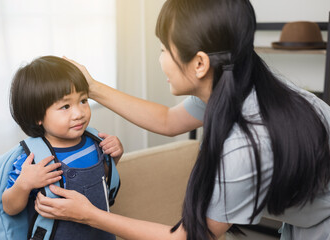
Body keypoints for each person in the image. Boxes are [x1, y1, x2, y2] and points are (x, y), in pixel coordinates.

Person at [34, 0, 330, 239]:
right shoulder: (234, 78)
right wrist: (92, 87)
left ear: (200, 63)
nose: (160, 58)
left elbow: (191, 237)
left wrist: (90, 215)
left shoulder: (244, 144)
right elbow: (168, 120)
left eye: (164, 49)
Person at [2, 56, 123, 240]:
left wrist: (113, 158)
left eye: (83, 100)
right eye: (65, 106)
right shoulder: (32, 158)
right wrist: (24, 183)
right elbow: (9, 207)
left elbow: (101, 178)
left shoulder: (94, 141)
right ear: (37, 116)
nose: (79, 113)